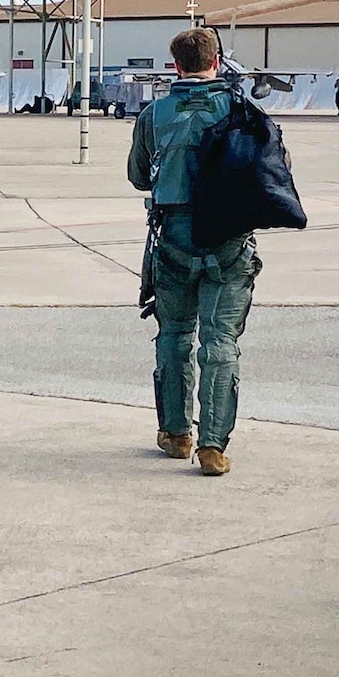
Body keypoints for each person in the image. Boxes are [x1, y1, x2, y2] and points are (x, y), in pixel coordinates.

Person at [127, 27, 262, 477]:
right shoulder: (244, 109)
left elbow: (138, 176)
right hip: (229, 242)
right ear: (217, 62)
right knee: (220, 343)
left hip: (174, 239)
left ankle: (176, 434)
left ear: (177, 66)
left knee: (174, 337)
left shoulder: (154, 113)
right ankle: (212, 447)